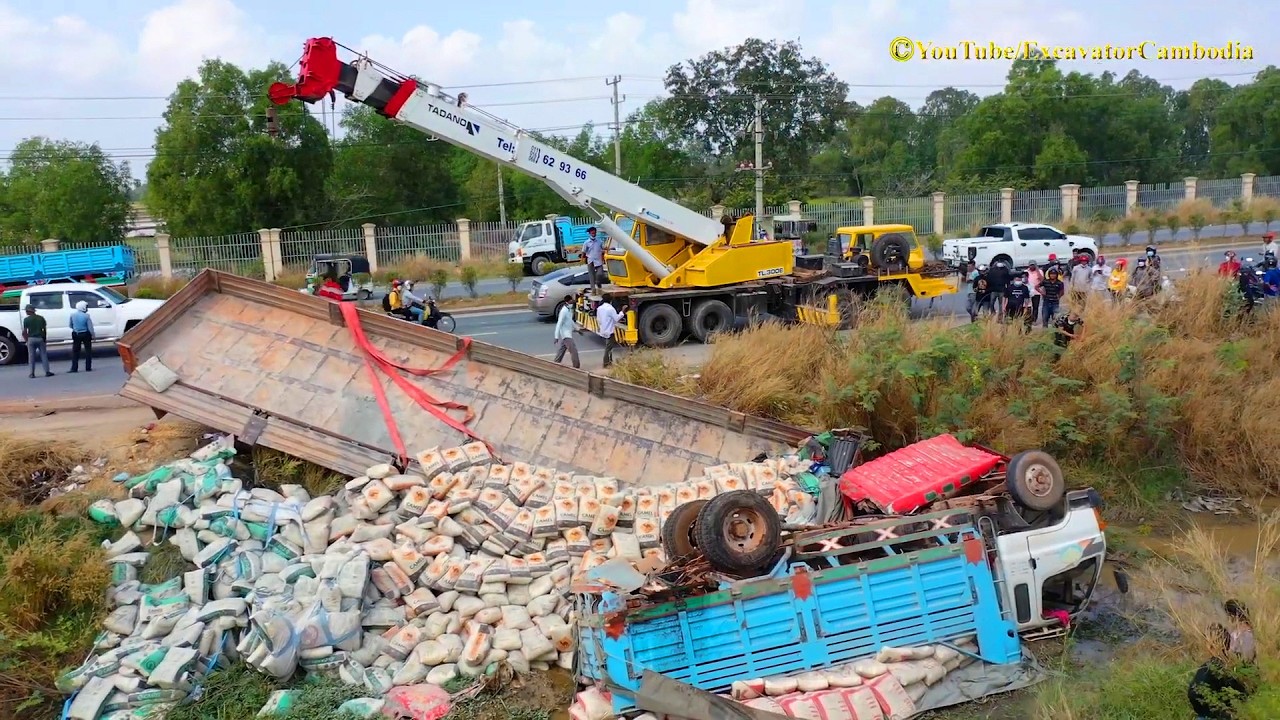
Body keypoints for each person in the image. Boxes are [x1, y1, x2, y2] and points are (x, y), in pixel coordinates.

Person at [1187, 621, 1251, 719]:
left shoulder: (1212, 667)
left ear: (1211, 645)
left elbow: (1195, 694)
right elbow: (1242, 694)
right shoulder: (1228, 666)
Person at [21, 304, 53, 379]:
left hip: (31, 339)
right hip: (40, 338)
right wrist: (44, 339)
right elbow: (44, 330)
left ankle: (32, 373)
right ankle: (47, 371)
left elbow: (24, 332)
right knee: (44, 355)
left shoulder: (26, 320)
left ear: (29, 311)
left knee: (31, 357)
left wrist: (26, 340)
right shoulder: (41, 318)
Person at [595, 298, 624, 368]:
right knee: (608, 348)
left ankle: (610, 361)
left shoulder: (599, 308)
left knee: (609, 347)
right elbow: (617, 318)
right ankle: (606, 363)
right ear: (610, 301)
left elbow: (598, 319)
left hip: (603, 330)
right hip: (609, 331)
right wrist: (622, 311)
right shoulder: (610, 309)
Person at [552, 298, 580, 369]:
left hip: (567, 333)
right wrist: (556, 337)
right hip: (566, 335)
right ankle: (576, 367)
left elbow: (570, 321)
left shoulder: (568, 310)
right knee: (573, 351)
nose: (572, 305)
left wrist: (577, 329)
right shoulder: (563, 312)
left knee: (562, 349)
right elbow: (559, 324)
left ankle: (555, 363)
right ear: (567, 303)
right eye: (571, 303)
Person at [69, 300, 95, 373]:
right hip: (85, 334)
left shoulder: (72, 315)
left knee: (75, 351)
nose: (87, 309)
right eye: (86, 307)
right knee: (88, 351)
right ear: (83, 307)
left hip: (76, 334)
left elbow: (70, 325)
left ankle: (74, 368)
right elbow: (90, 327)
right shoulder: (86, 316)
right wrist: (93, 335)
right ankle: (88, 367)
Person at [582, 227, 605, 294]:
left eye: (594, 233)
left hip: (598, 260)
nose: (593, 234)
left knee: (600, 274)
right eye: (592, 233)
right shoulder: (586, 243)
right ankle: (593, 290)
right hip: (590, 261)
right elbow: (583, 251)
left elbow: (603, 248)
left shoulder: (599, 241)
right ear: (589, 233)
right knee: (591, 276)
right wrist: (582, 259)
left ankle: (598, 283)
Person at [1025, 262, 1044, 330]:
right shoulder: (1026, 272)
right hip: (1028, 292)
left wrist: (1037, 270)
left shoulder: (1040, 271)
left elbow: (1042, 279)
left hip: (1036, 292)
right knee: (1028, 307)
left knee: (1035, 307)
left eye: (1033, 265)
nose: (1032, 266)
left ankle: (1034, 320)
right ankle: (1028, 320)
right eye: (1031, 265)